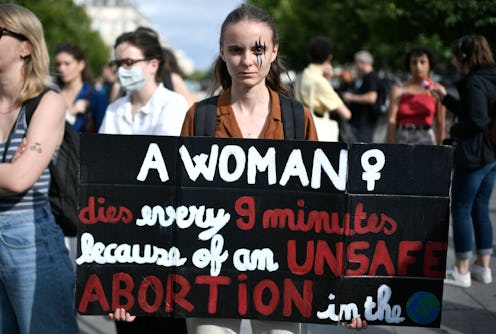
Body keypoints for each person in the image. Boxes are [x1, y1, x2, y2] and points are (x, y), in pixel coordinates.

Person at [100, 29, 189, 333]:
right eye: (118, 64)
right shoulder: (114, 110)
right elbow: (102, 169)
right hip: (121, 232)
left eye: (128, 62)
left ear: (153, 64)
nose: (122, 70)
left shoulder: (174, 106)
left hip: (164, 235)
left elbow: (160, 170)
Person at [0, 3, 78, 333]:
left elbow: (20, 179)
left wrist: (14, 171)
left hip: (29, 238)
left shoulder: (47, 101)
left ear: (26, 46)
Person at [430, 35, 496, 287]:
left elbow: (477, 121)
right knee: (480, 209)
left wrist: (453, 133)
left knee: (460, 209)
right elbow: (476, 112)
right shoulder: (490, 78)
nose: (454, 62)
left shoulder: (474, 82)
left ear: (464, 57)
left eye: (456, 57)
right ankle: (483, 267)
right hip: (490, 154)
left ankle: (461, 270)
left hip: (473, 155)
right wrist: (445, 98)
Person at [296, 35, 352, 142]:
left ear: (309, 56)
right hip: (317, 134)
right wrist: (328, 81)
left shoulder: (302, 75)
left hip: (302, 127)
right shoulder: (319, 82)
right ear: (329, 57)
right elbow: (346, 114)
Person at [386, 46, 446, 144]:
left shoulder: (437, 90)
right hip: (402, 138)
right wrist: (392, 147)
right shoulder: (398, 89)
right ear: (409, 65)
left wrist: (442, 148)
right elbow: (391, 120)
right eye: (414, 62)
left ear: (430, 64)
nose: (418, 66)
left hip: (426, 139)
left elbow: (440, 123)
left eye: (422, 62)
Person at [54, 42, 108, 132]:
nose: (61, 68)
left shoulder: (96, 97)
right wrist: (70, 113)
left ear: (81, 65)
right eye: (58, 64)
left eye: (67, 64)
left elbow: (103, 134)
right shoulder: (52, 95)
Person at [342, 50, 380, 143]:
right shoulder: (363, 77)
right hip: (359, 121)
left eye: (357, 62)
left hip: (365, 122)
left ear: (363, 63)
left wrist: (351, 97)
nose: (356, 66)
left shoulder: (371, 77)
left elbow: (371, 98)